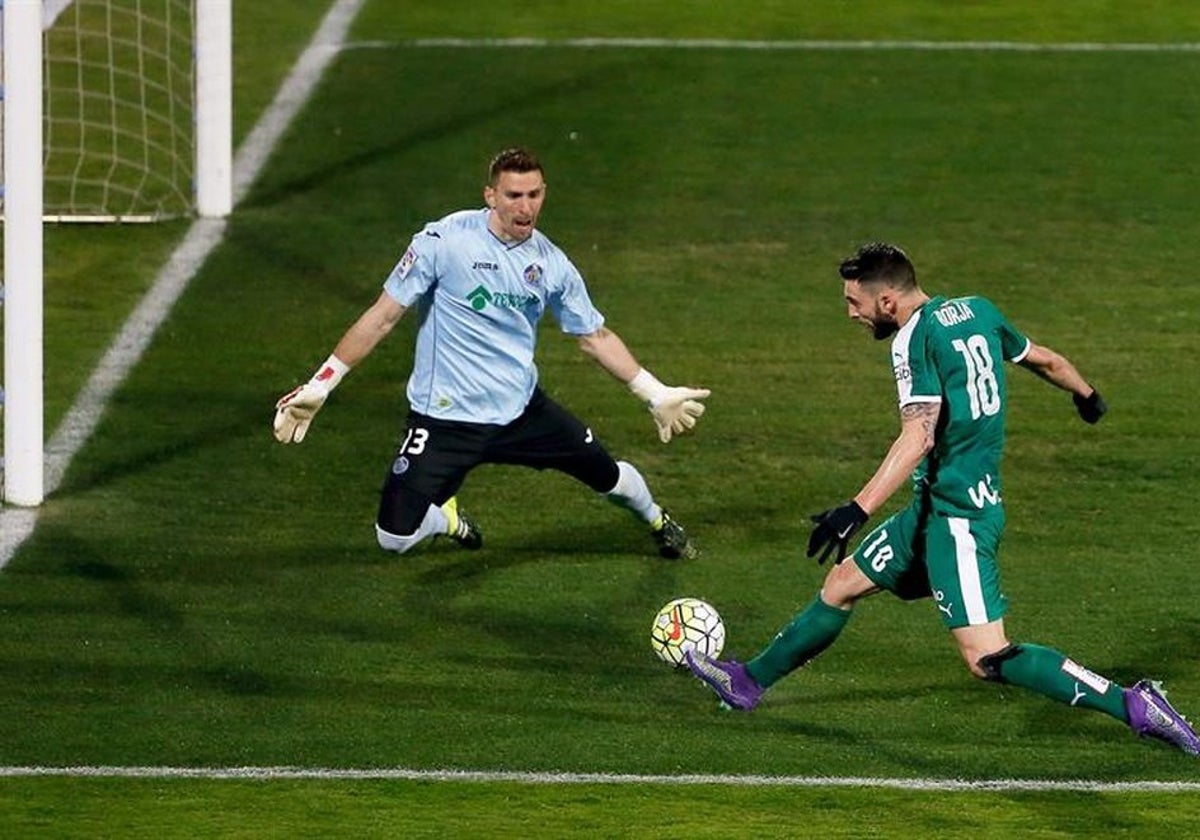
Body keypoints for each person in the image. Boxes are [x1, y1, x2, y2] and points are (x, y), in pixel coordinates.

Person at [685, 241, 1199, 756]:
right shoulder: (978, 310)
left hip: (958, 521)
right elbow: (1043, 359)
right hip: (926, 514)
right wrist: (1086, 395)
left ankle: (1134, 704)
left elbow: (918, 437)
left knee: (986, 657)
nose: (850, 314)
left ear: (887, 301)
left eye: (854, 303)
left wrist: (856, 508)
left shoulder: (912, 340)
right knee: (842, 583)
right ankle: (747, 682)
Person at [272, 147, 708, 560]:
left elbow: (594, 336)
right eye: (514, 195)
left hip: (522, 413)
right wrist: (322, 383)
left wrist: (653, 391)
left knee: (608, 477)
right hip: (444, 420)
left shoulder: (552, 264)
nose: (525, 207)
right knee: (393, 538)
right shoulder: (443, 241)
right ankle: (447, 519)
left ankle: (657, 520)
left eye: (534, 195)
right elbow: (382, 317)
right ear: (491, 196)